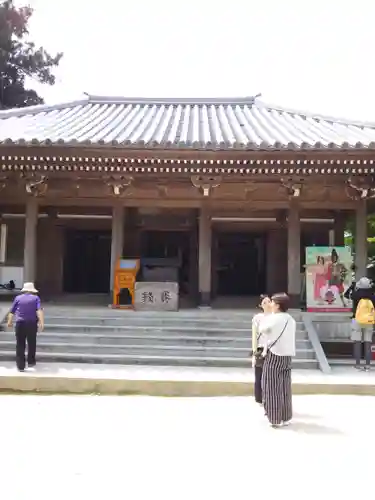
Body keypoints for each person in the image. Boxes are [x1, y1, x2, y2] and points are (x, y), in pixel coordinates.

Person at [259, 293, 296, 428]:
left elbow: (262, 329)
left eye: (273, 303)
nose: (270, 305)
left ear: (278, 305)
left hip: (275, 354)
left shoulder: (274, 318)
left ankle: (275, 418)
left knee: (271, 386)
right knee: (285, 386)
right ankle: (286, 416)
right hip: (288, 355)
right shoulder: (291, 319)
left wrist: (267, 313)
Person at [7, 282, 44, 372]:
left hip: (20, 323)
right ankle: (31, 361)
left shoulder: (18, 298)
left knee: (20, 344)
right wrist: (41, 322)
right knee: (31, 342)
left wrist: (9, 322)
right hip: (31, 324)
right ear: (32, 290)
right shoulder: (36, 298)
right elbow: (39, 311)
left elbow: (12, 311)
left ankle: (20, 366)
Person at [349, 277, 375, 371]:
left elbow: (346, 295)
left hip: (357, 320)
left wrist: (352, 287)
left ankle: (358, 364)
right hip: (369, 321)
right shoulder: (372, 295)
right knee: (368, 342)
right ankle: (368, 365)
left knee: (357, 342)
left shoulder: (356, 294)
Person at [251, 294, 272, 405]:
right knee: (259, 374)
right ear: (260, 305)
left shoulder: (275, 317)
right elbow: (254, 336)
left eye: (269, 301)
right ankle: (259, 397)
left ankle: (269, 396)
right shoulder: (257, 318)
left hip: (272, 348)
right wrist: (254, 352)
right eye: (264, 302)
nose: (267, 304)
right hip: (260, 347)